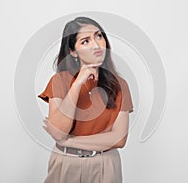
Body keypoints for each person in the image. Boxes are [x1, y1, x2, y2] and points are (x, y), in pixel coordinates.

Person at [38, 16, 134, 183]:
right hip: (66, 163)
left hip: (105, 164)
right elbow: (60, 131)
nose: (96, 45)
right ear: (72, 52)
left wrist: (71, 141)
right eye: (85, 41)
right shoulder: (59, 81)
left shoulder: (120, 85)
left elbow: (119, 138)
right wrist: (77, 84)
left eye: (99, 36)